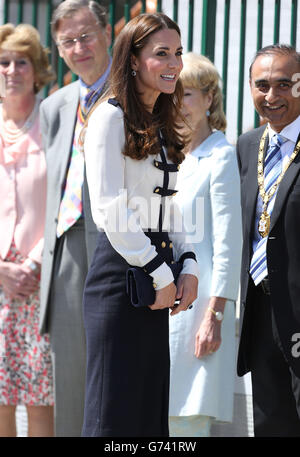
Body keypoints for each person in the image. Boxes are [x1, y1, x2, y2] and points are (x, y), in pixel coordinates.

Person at [81, 13, 199, 437]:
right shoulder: (109, 118)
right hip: (121, 279)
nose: (174, 63)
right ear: (133, 60)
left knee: (148, 419)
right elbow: (110, 208)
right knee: (111, 417)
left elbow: (169, 206)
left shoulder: (159, 121)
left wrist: (188, 265)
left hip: (155, 275)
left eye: (178, 53)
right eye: (161, 53)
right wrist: (159, 271)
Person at [38, 0, 111, 437]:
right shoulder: (55, 105)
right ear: (59, 50)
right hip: (65, 247)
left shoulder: (133, 93)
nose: (78, 47)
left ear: (106, 33)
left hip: (116, 247)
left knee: (114, 374)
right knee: (68, 377)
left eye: (86, 35)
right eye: (68, 41)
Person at [168, 53, 242, 437]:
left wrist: (214, 317)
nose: (179, 104)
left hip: (199, 312)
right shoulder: (162, 154)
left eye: (190, 94)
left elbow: (230, 243)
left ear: (210, 99)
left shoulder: (221, 155)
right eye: (174, 94)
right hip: (161, 304)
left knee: (188, 422)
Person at [237, 44, 300, 436]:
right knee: (270, 423)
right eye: (262, 85)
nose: (272, 96)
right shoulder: (246, 146)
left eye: (284, 85)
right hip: (261, 315)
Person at [0, 23, 55, 437]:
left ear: (37, 71)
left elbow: (68, 203)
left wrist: (34, 263)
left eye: (22, 61)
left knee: (40, 400)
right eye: (3, 62)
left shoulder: (54, 125)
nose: (11, 70)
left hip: (43, 281)